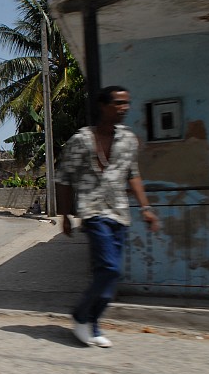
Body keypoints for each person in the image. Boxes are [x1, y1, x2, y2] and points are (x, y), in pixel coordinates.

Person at [56, 86, 159, 348]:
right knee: (109, 268)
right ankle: (81, 315)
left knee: (110, 274)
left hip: (119, 212)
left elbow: (132, 174)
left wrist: (146, 208)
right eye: (118, 103)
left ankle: (94, 323)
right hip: (93, 211)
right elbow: (65, 178)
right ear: (103, 106)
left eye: (127, 103)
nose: (124, 108)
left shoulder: (128, 139)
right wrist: (66, 215)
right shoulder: (81, 140)